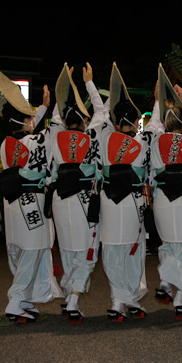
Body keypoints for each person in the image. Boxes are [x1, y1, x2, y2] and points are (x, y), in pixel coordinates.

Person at [0, 66, 62, 323]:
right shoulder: (37, 141)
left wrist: (41, 108)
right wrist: (51, 105)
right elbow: (52, 130)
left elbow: (34, 130)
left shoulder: (6, 144)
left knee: (20, 251)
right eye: (31, 116)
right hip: (32, 202)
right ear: (26, 121)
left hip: (13, 202)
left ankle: (25, 299)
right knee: (33, 250)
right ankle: (15, 300)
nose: (34, 119)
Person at [48, 63, 106, 324]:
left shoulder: (55, 137)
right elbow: (102, 112)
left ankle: (70, 296)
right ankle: (72, 298)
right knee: (87, 251)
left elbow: (56, 118)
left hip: (61, 199)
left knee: (69, 250)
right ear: (84, 120)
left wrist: (61, 94)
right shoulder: (91, 137)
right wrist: (89, 84)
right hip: (84, 200)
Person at [146, 65, 182, 320]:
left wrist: (158, 102)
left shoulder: (156, 140)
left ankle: (167, 283)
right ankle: (179, 296)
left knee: (169, 244)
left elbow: (153, 126)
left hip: (163, 200)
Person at [98, 63, 152, 322]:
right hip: (132, 200)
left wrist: (109, 97)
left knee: (112, 249)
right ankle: (127, 298)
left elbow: (100, 117)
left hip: (109, 199)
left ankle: (119, 300)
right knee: (133, 249)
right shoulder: (142, 141)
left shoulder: (105, 138)